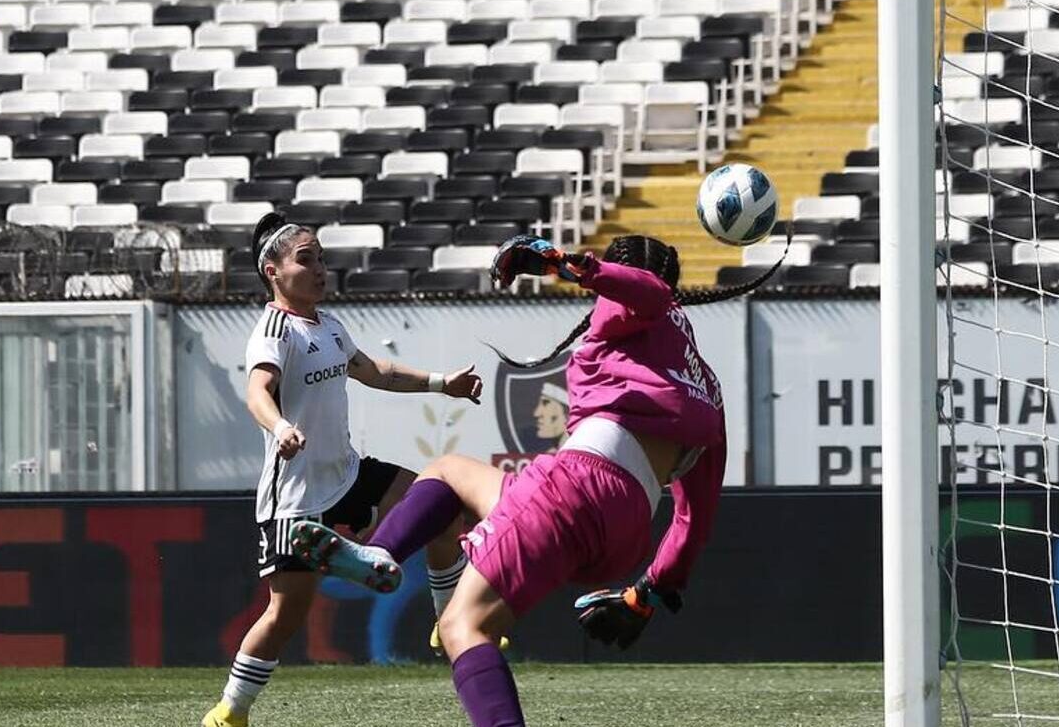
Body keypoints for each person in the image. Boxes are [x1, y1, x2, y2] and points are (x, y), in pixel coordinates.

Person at [287, 234, 777, 727]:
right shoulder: (707, 387)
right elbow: (694, 522)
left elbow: (645, 293)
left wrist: (569, 264)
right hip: (624, 536)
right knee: (450, 472)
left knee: (466, 627)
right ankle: (387, 561)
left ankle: (386, 562)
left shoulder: (626, 308)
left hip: (578, 489)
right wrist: (647, 592)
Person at [203, 214, 484, 727]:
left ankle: (448, 622)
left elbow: (377, 371)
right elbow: (256, 393)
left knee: (442, 507)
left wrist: (444, 383)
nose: (319, 269)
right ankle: (230, 711)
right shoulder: (274, 330)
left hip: (349, 474)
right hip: (295, 494)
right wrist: (280, 426)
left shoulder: (330, 327)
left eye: (322, 258)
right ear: (273, 271)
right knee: (285, 615)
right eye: (305, 259)